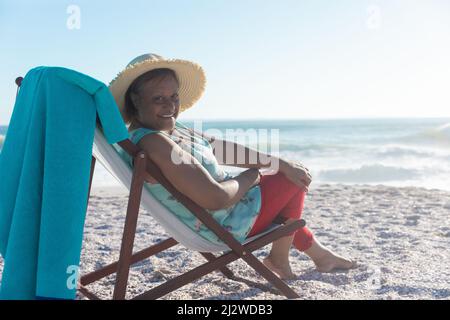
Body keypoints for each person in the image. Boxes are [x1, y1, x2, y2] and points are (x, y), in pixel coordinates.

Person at [109, 53, 356, 279]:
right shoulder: (154, 142)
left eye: (174, 97)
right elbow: (214, 197)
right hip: (225, 223)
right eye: (158, 99)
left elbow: (221, 148)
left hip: (231, 209)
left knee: (289, 170)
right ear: (135, 100)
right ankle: (284, 258)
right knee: (292, 179)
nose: (170, 106)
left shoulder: (172, 128)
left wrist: (278, 162)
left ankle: (313, 255)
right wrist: (253, 176)